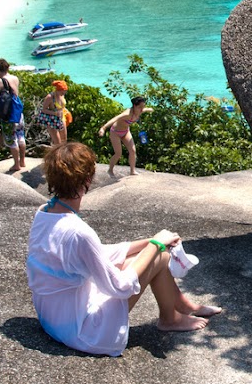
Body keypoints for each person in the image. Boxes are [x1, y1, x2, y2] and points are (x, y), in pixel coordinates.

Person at [26, 142, 221, 356]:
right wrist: (156, 245)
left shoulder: (44, 212)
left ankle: (181, 307)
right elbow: (118, 287)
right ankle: (172, 317)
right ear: (88, 179)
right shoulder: (78, 232)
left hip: (53, 317)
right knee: (159, 256)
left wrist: (149, 241)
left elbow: (96, 254)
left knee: (149, 253)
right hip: (83, 332)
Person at [98, 96, 153, 177]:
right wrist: (103, 128)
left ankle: (132, 171)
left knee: (133, 150)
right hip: (115, 132)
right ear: (134, 106)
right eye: (140, 107)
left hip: (126, 132)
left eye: (143, 107)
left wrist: (150, 109)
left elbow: (146, 109)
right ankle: (110, 170)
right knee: (118, 153)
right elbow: (115, 119)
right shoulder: (127, 114)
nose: (142, 109)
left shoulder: (139, 111)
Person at [0, 58, 27, 172]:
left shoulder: (0, 81)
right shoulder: (15, 78)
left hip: (8, 114)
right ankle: (22, 161)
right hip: (17, 111)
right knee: (20, 136)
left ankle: (16, 164)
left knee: (11, 138)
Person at [38, 80, 69, 146]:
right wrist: (54, 113)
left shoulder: (62, 95)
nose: (64, 93)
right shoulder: (50, 97)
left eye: (65, 91)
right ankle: (56, 155)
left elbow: (62, 106)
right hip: (52, 120)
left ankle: (63, 156)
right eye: (62, 91)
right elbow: (43, 110)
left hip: (61, 117)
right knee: (57, 142)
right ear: (58, 90)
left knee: (64, 140)